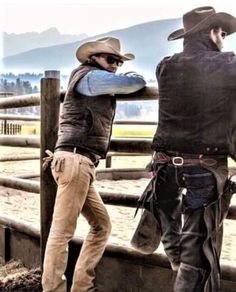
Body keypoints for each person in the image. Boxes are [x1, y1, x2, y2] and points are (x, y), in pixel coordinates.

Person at [42, 36, 146, 292]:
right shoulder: (90, 77)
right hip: (77, 161)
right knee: (62, 233)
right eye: (111, 60)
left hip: (77, 163)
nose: (114, 66)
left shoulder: (88, 77)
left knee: (101, 225)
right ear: (94, 58)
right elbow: (134, 83)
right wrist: (129, 74)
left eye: (118, 62)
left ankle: (82, 287)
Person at [150, 6, 236, 292]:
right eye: (222, 33)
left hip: (164, 166)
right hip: (204, 164)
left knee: (175, 238)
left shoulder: (165, 65)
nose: (224, 38)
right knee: (197, 250)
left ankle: (179, 265)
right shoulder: (226, 65)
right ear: (211, 33)